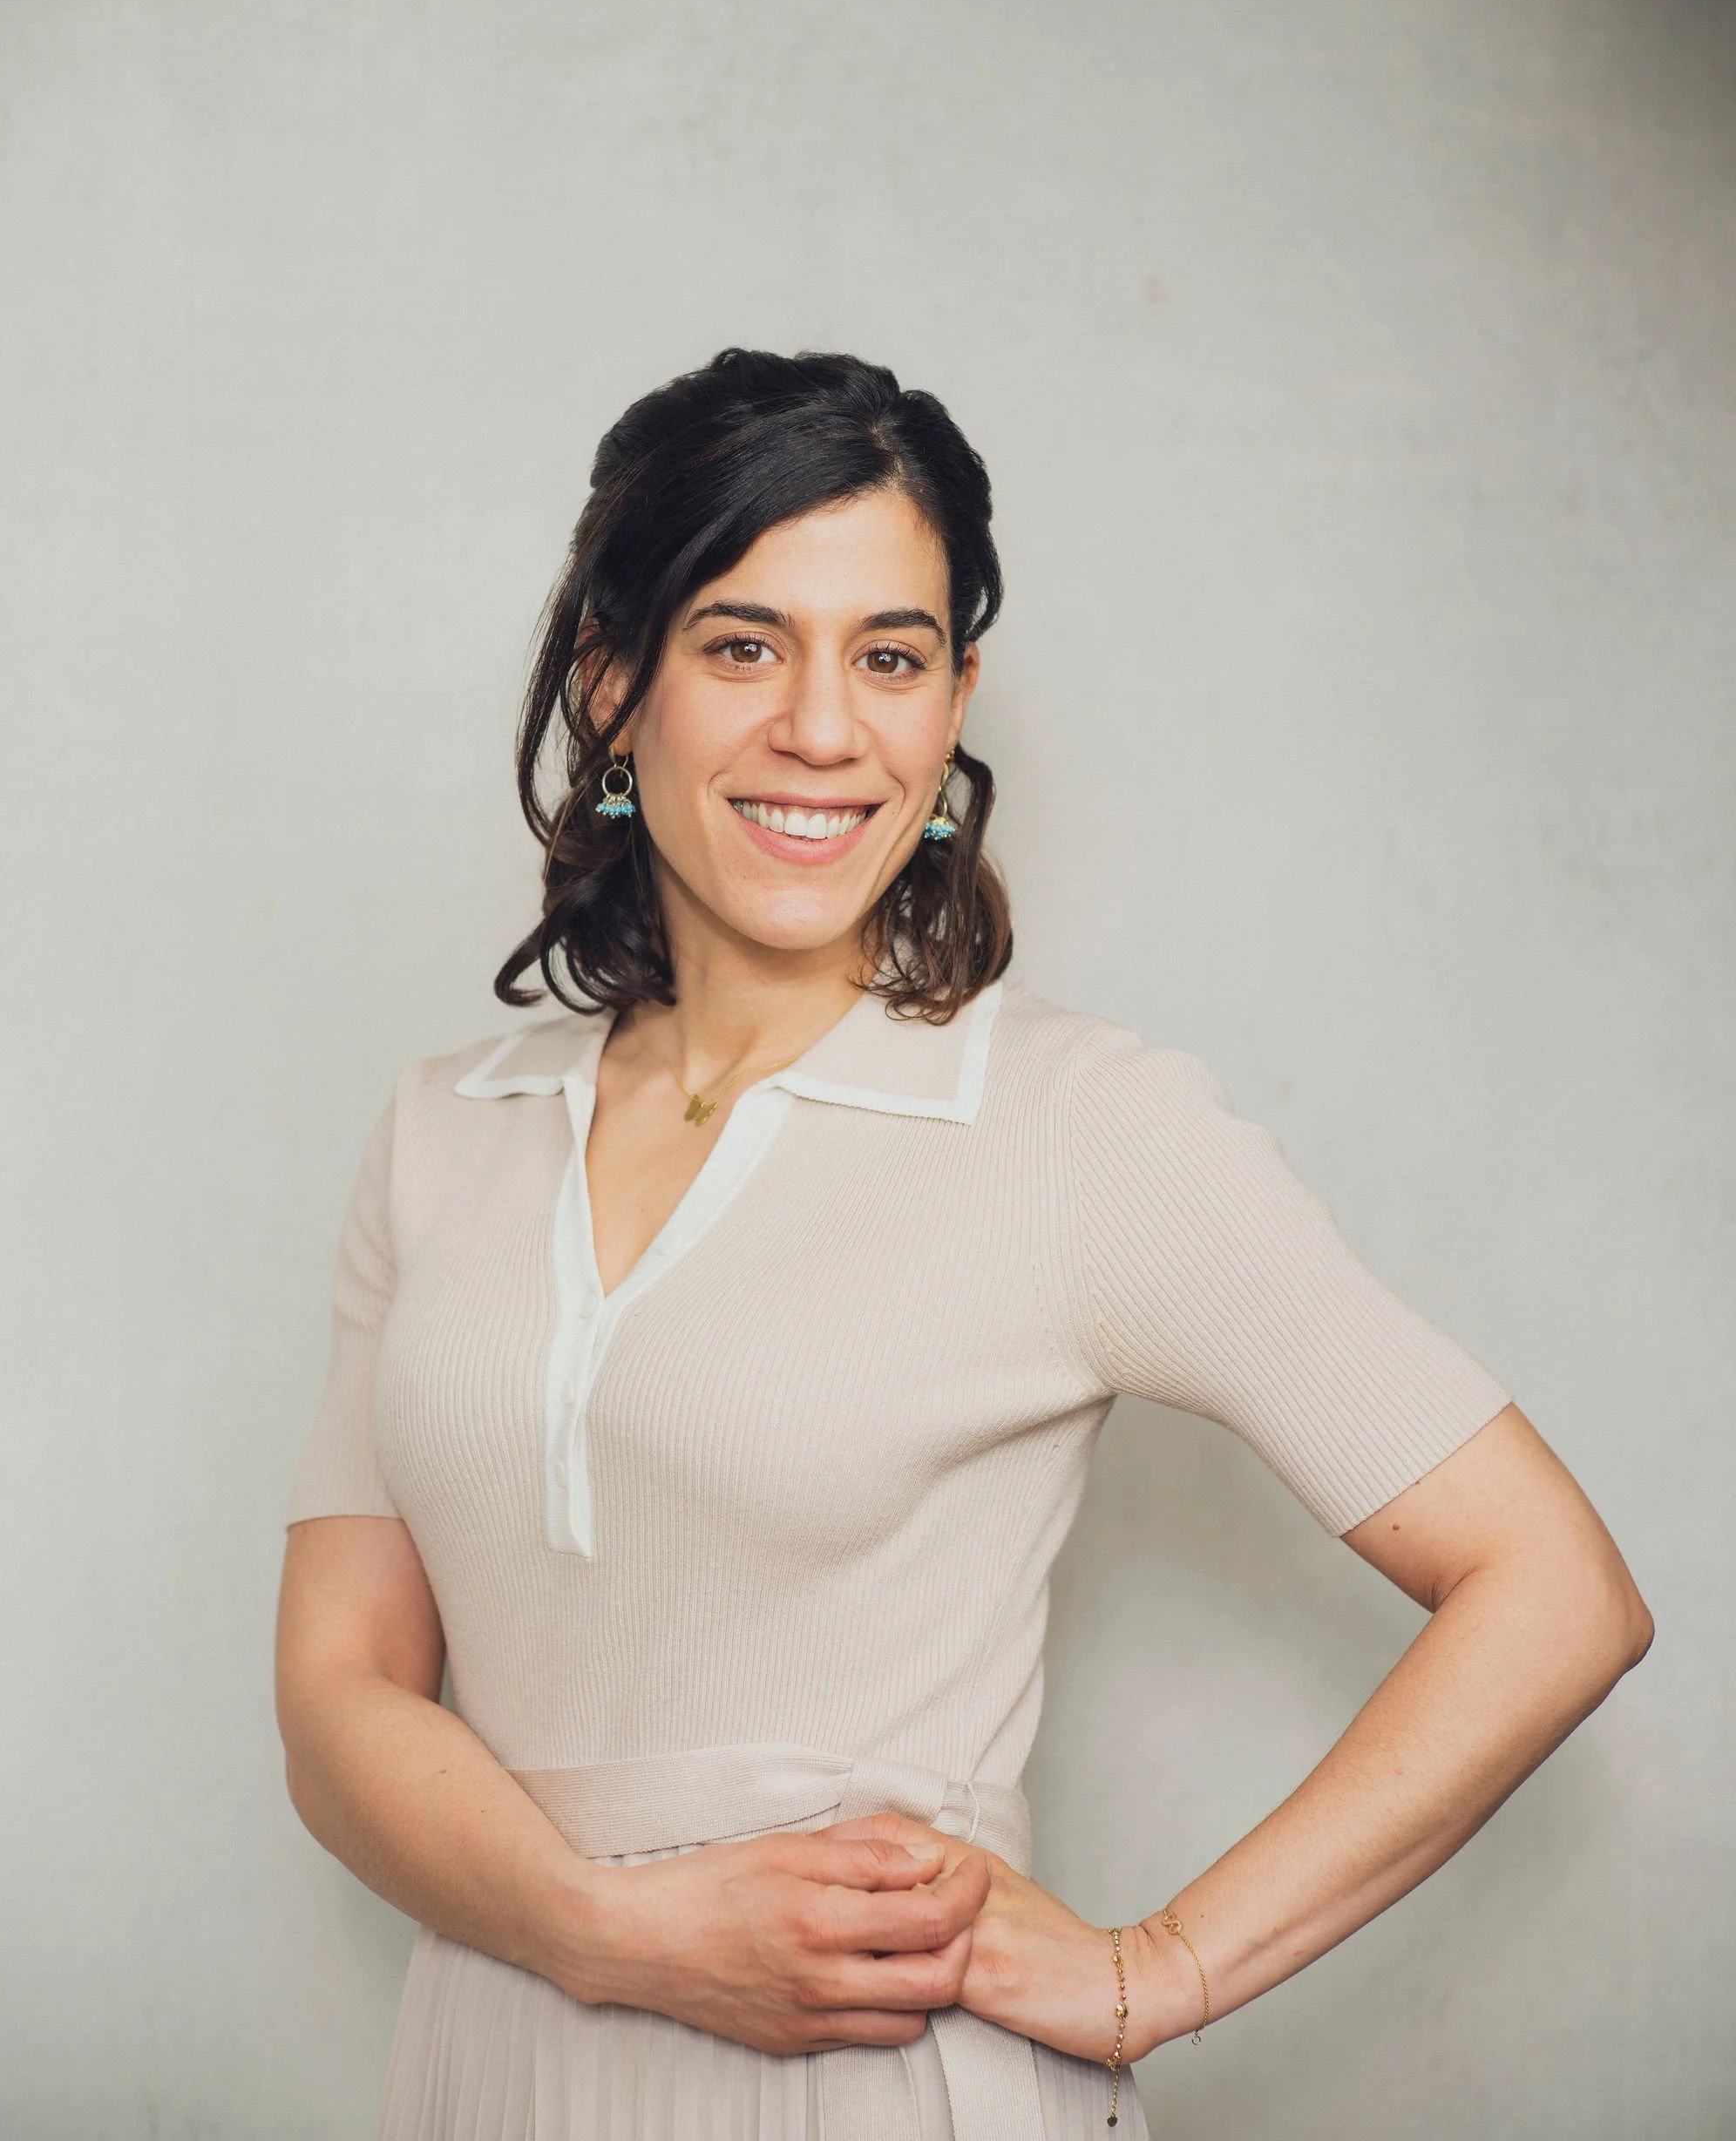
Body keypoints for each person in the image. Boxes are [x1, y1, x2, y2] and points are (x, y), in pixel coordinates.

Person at [275, 348, 1652, 2141]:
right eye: (743, 641)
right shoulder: (441, 1129)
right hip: (494, 2048)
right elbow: (337, 1688)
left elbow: (1553, 1589)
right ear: (614, 681)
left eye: (893, 654)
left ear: (950, 704)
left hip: (875, 2082)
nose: (825, 728)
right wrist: (606, 1930)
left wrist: (1155, 1967)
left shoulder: (1080, 1125)